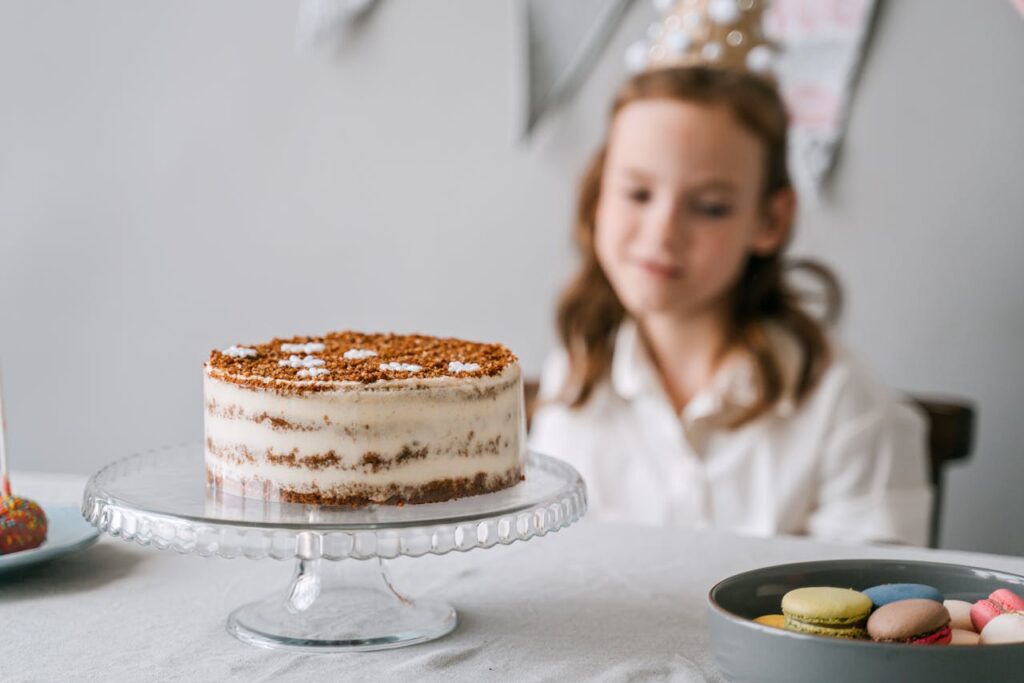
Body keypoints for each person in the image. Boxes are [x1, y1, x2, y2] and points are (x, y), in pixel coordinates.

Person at [528, 64, 932, 545]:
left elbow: (870, 598)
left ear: (770, 221)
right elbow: (546, 563)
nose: (661, 233)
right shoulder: (574, 381)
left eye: (710, 206)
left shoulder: (844, 406)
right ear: (598, 201)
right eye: (637, 193)